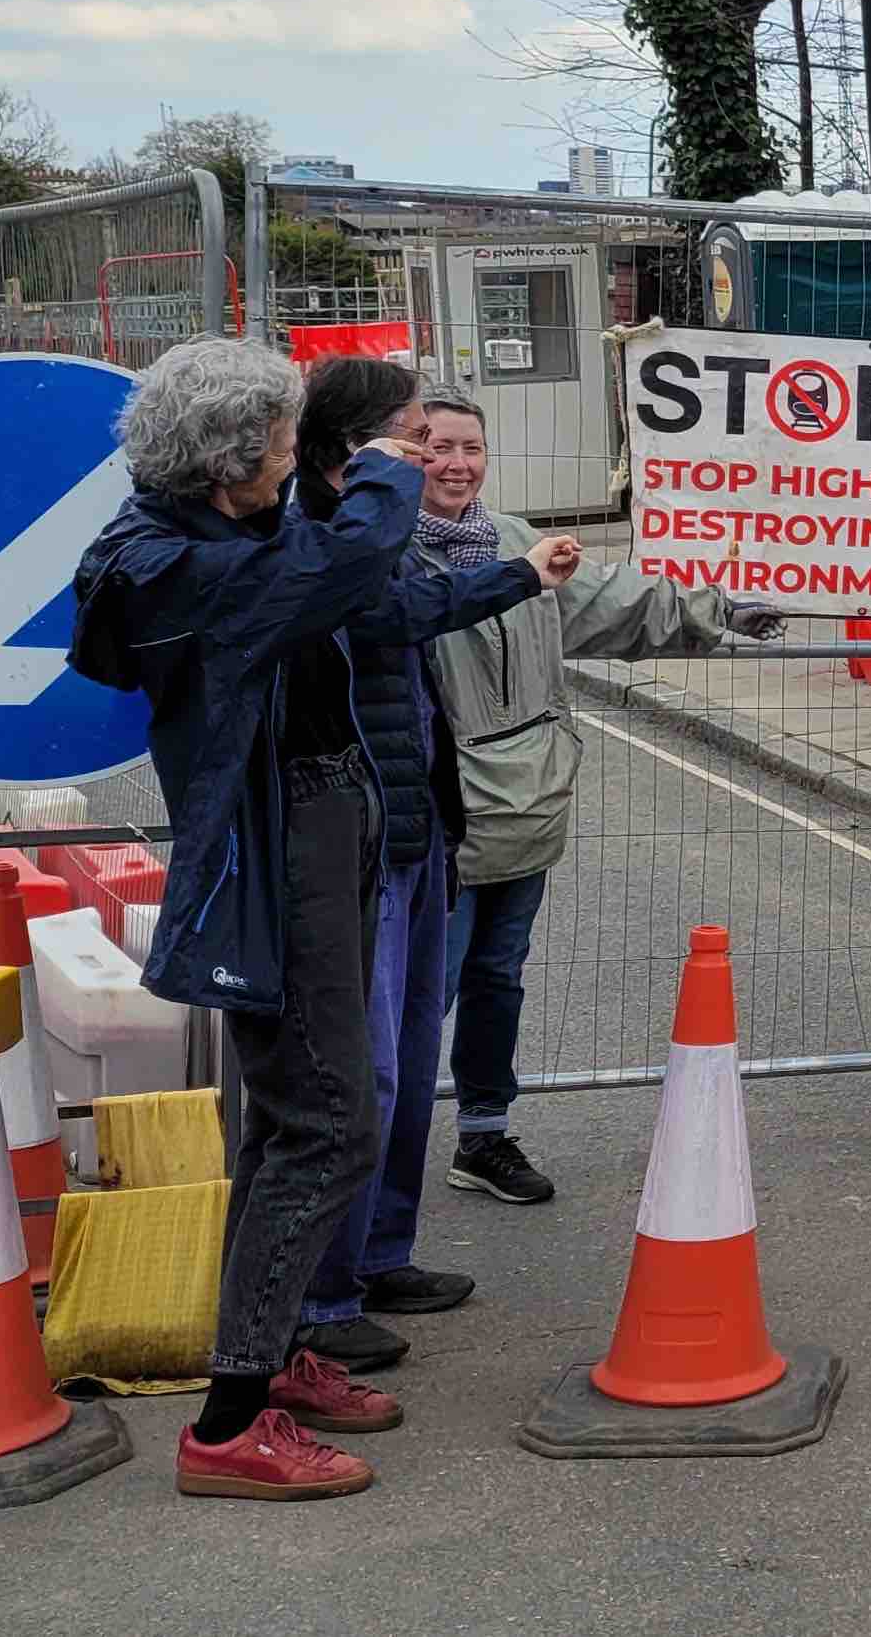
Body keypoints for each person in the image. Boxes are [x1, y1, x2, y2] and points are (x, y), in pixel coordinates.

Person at [70, 340, 567, 1501]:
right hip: (275, 856)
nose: (301, 464)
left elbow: (378, 605)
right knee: (332, 1119)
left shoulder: (234, 536)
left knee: (296, 1120)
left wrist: (512, 575)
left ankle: (271, 1349)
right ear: (234, 458)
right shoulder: (166, 562)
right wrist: (386, 472)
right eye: (289, 446)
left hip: (325, 831)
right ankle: (227, 1422)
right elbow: (346, 575)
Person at [409, 387, 787, 1208]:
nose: (457, 464)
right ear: (405, 452)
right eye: (437, 446)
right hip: (437, 820)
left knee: (497, 978)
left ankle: (482, 1134)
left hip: (528, 805)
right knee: (416, 997)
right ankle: (383, 1167)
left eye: (471, 448)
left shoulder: (516, 543)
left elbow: (610, 601)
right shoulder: (384, 558)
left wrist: (714, 610)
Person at [279, 358, 581, 1375]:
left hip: (416, 831)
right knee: (356, 1072)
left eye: (449, 440)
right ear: (358, 447)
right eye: (414, 436)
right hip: (347, 845)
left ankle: (379, 1253)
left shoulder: (379, 528)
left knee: (406, 1065)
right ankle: (318, 1296)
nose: (432, 454)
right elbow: (385, 613)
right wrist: (516, 576)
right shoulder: (323, 530)